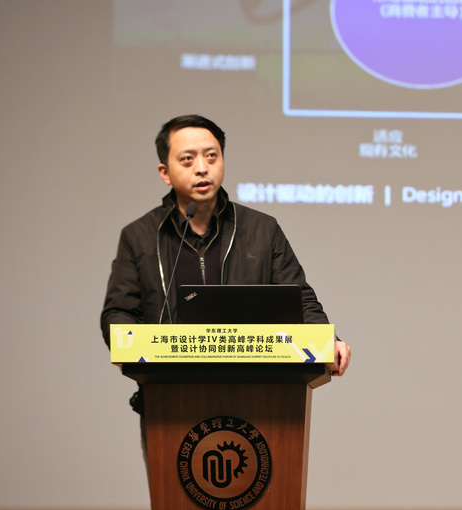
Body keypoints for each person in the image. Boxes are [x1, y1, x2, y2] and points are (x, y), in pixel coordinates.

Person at [100, 114, 351, 387]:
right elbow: (119, 312)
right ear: (165, 173)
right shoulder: (139, 236)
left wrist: (328, 341)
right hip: (168, 391)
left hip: (259, 390)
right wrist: (128, 344)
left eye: (212, 156)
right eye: (188, 159)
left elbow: (300, 301)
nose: (202, 168)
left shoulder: (262, 229)